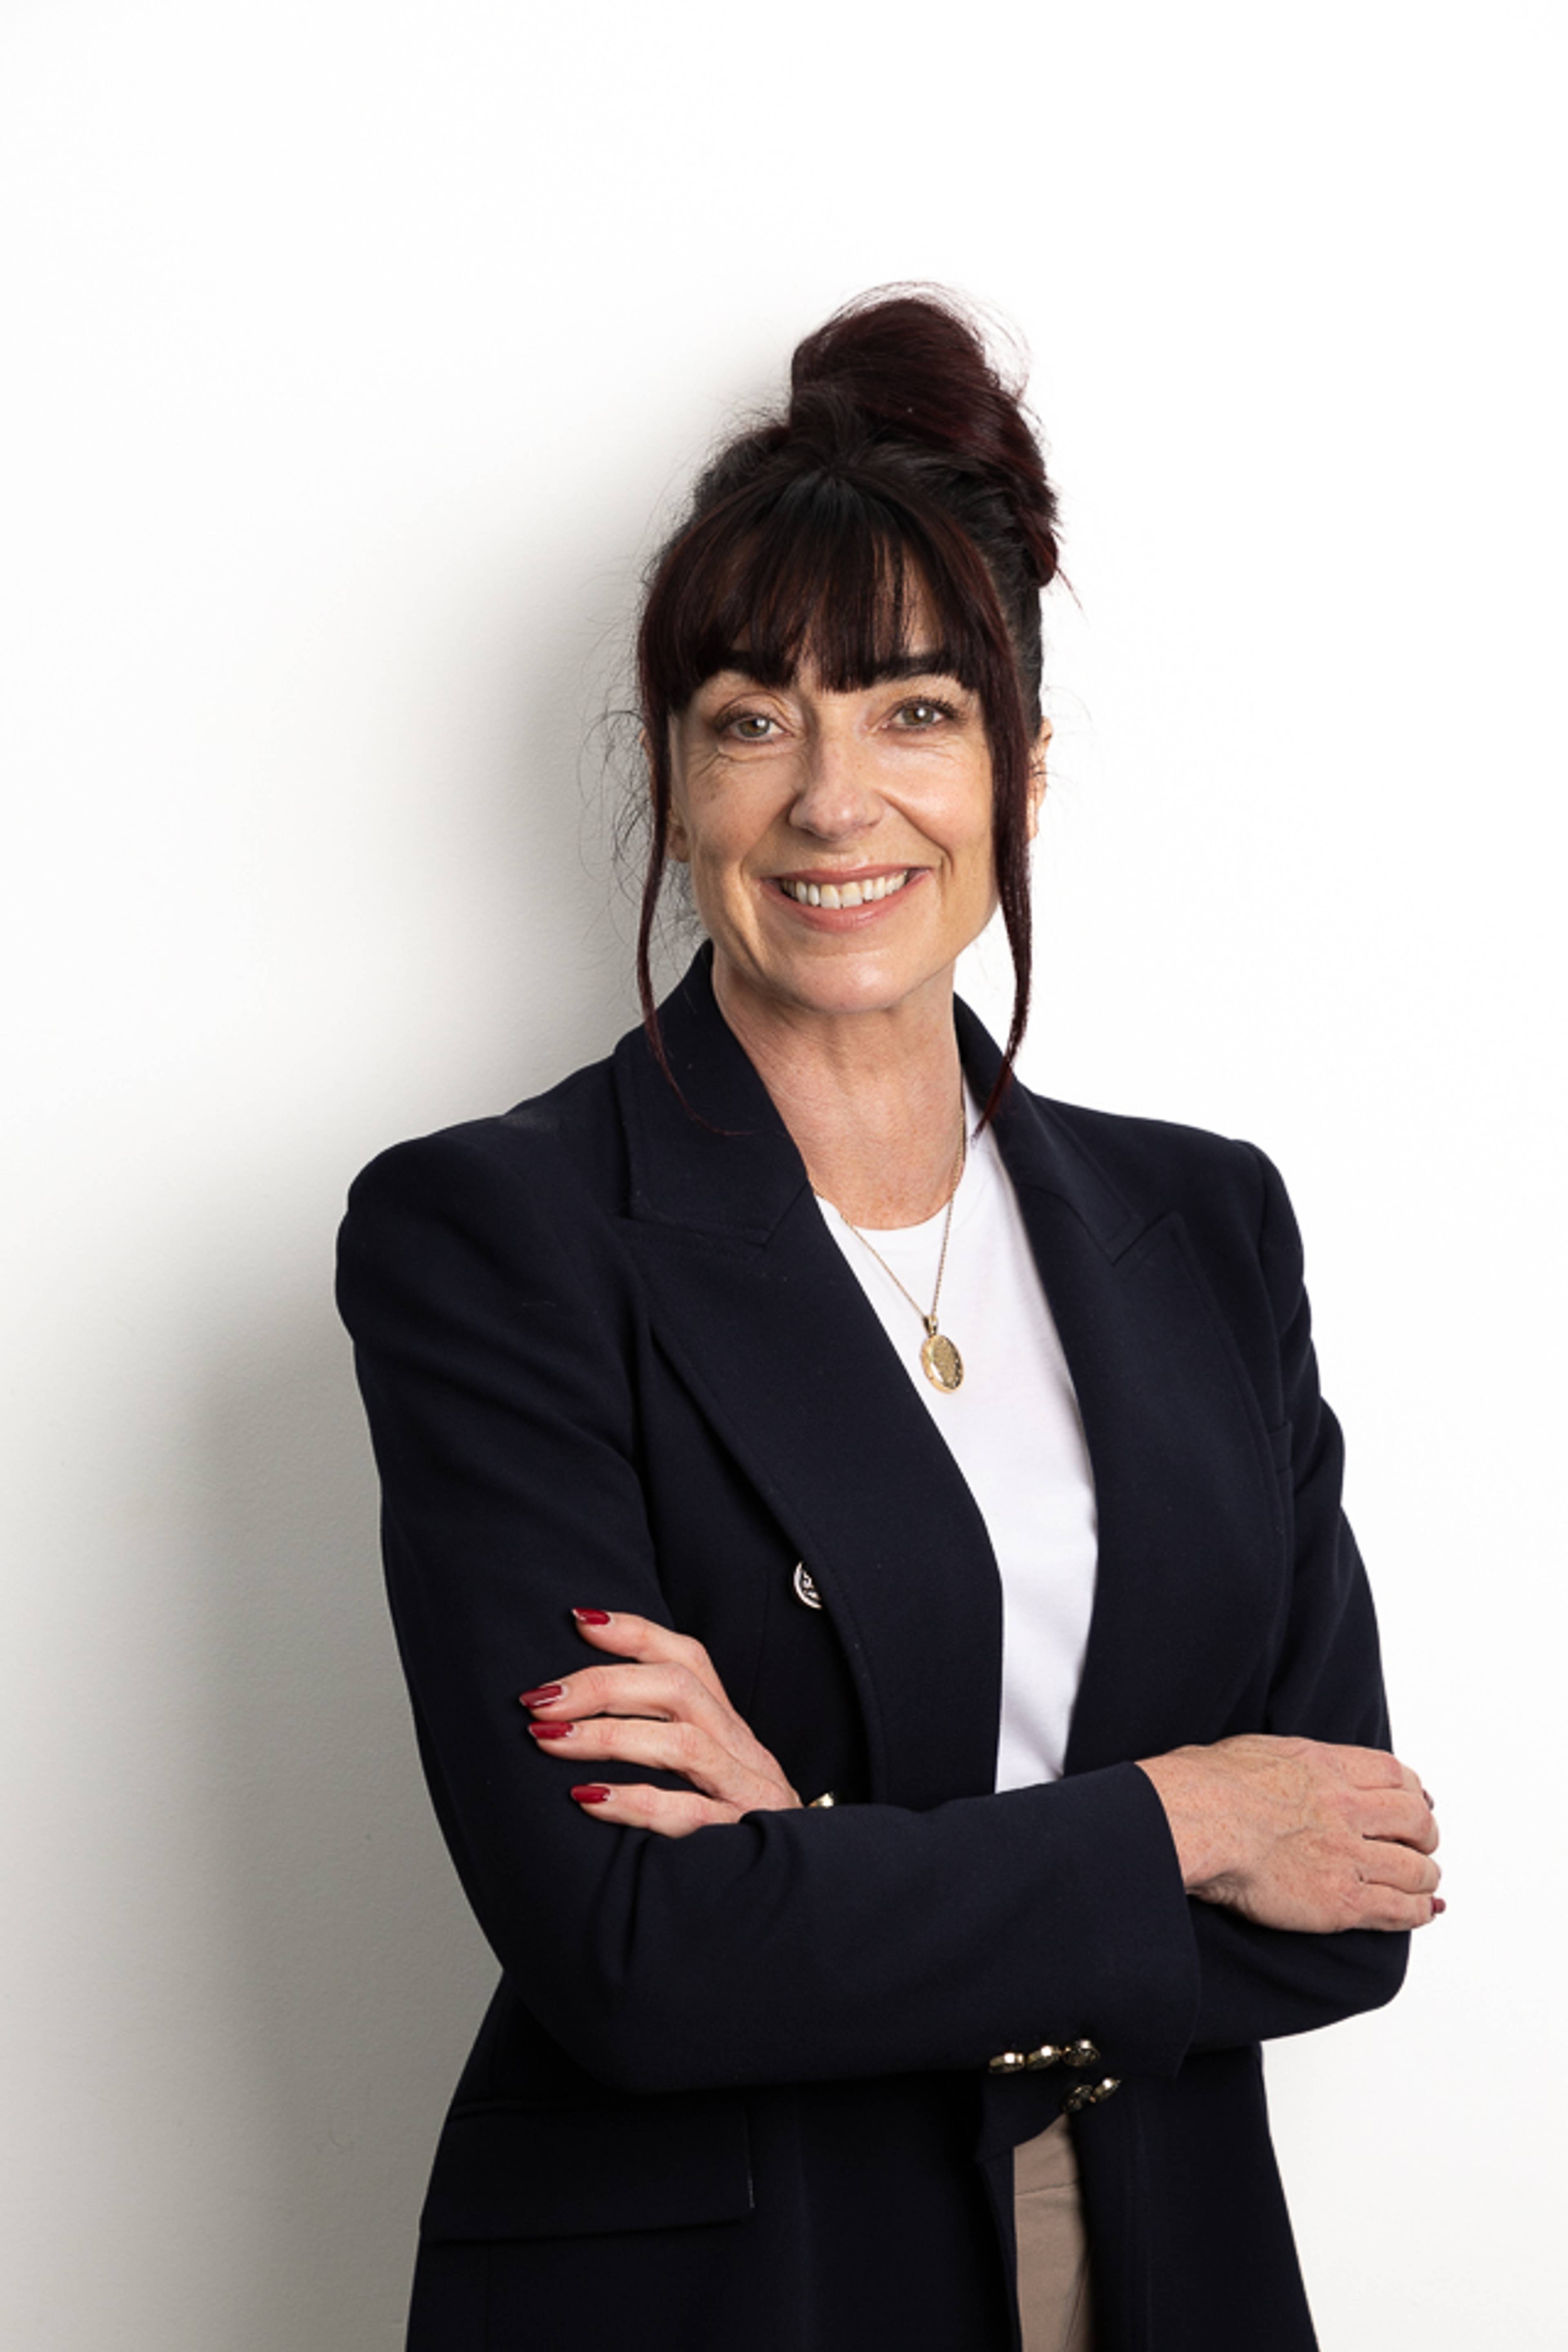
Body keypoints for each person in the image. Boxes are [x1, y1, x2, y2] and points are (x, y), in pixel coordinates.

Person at [336, 290, 1440, 2352]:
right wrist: (1187, 1823)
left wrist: (821, 1858)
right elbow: (636, 1955)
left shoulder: (1209, 1224)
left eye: (916, 711)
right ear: (677, 782)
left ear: (1022, 768)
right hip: (732, 2290)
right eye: (756, 720)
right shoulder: (499, 1237)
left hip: (1171, 2261)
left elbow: (1354, 1892)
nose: (837, 802)